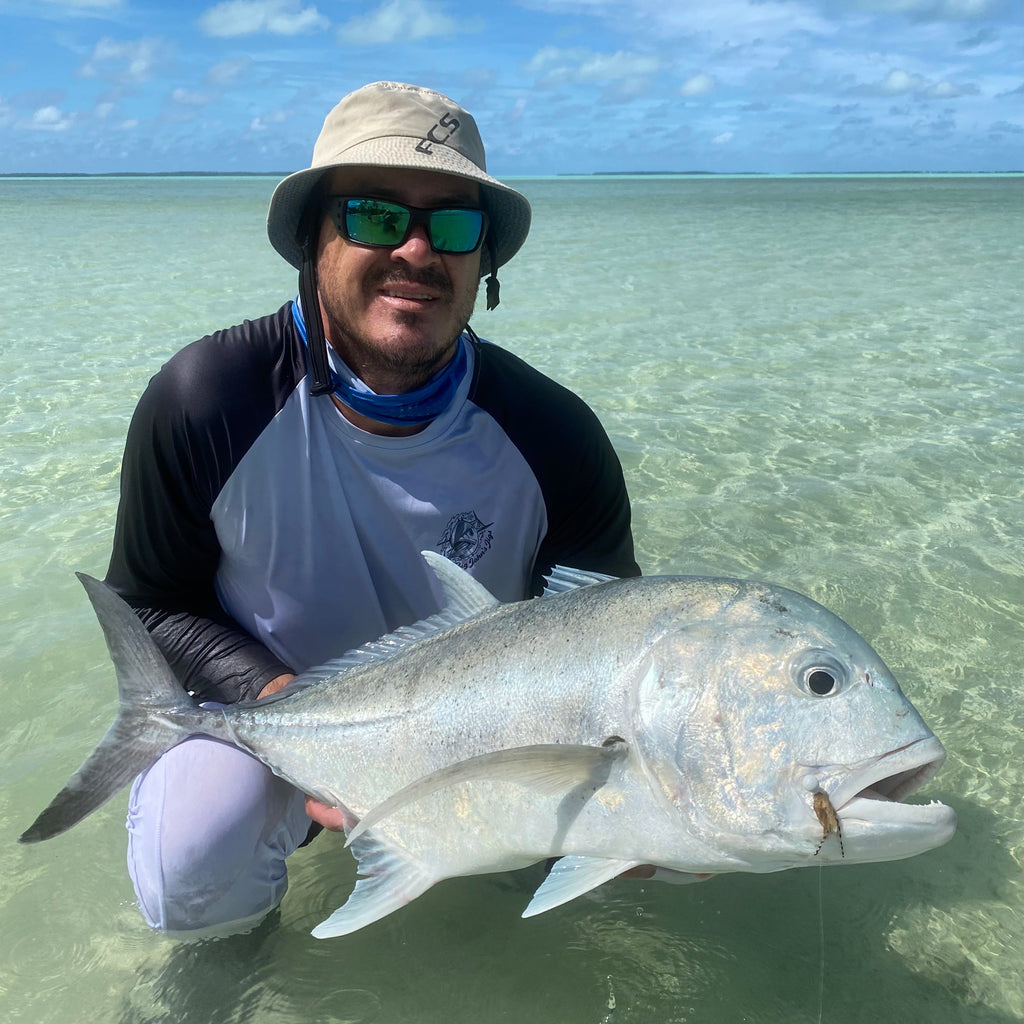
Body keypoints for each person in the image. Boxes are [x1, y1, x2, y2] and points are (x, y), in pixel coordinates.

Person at [104, 80, 640, 936]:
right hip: (273, 716)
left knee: (680, 842)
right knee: (190, 855)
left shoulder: (558, 436)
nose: (419, 250)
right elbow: (153, 602)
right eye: (376, 217)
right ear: (311, 241)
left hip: (484, 738)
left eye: (455, 226)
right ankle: (232, 967)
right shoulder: (205, 401)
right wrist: (286, 708)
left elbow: (607, 637)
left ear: (485, 264)